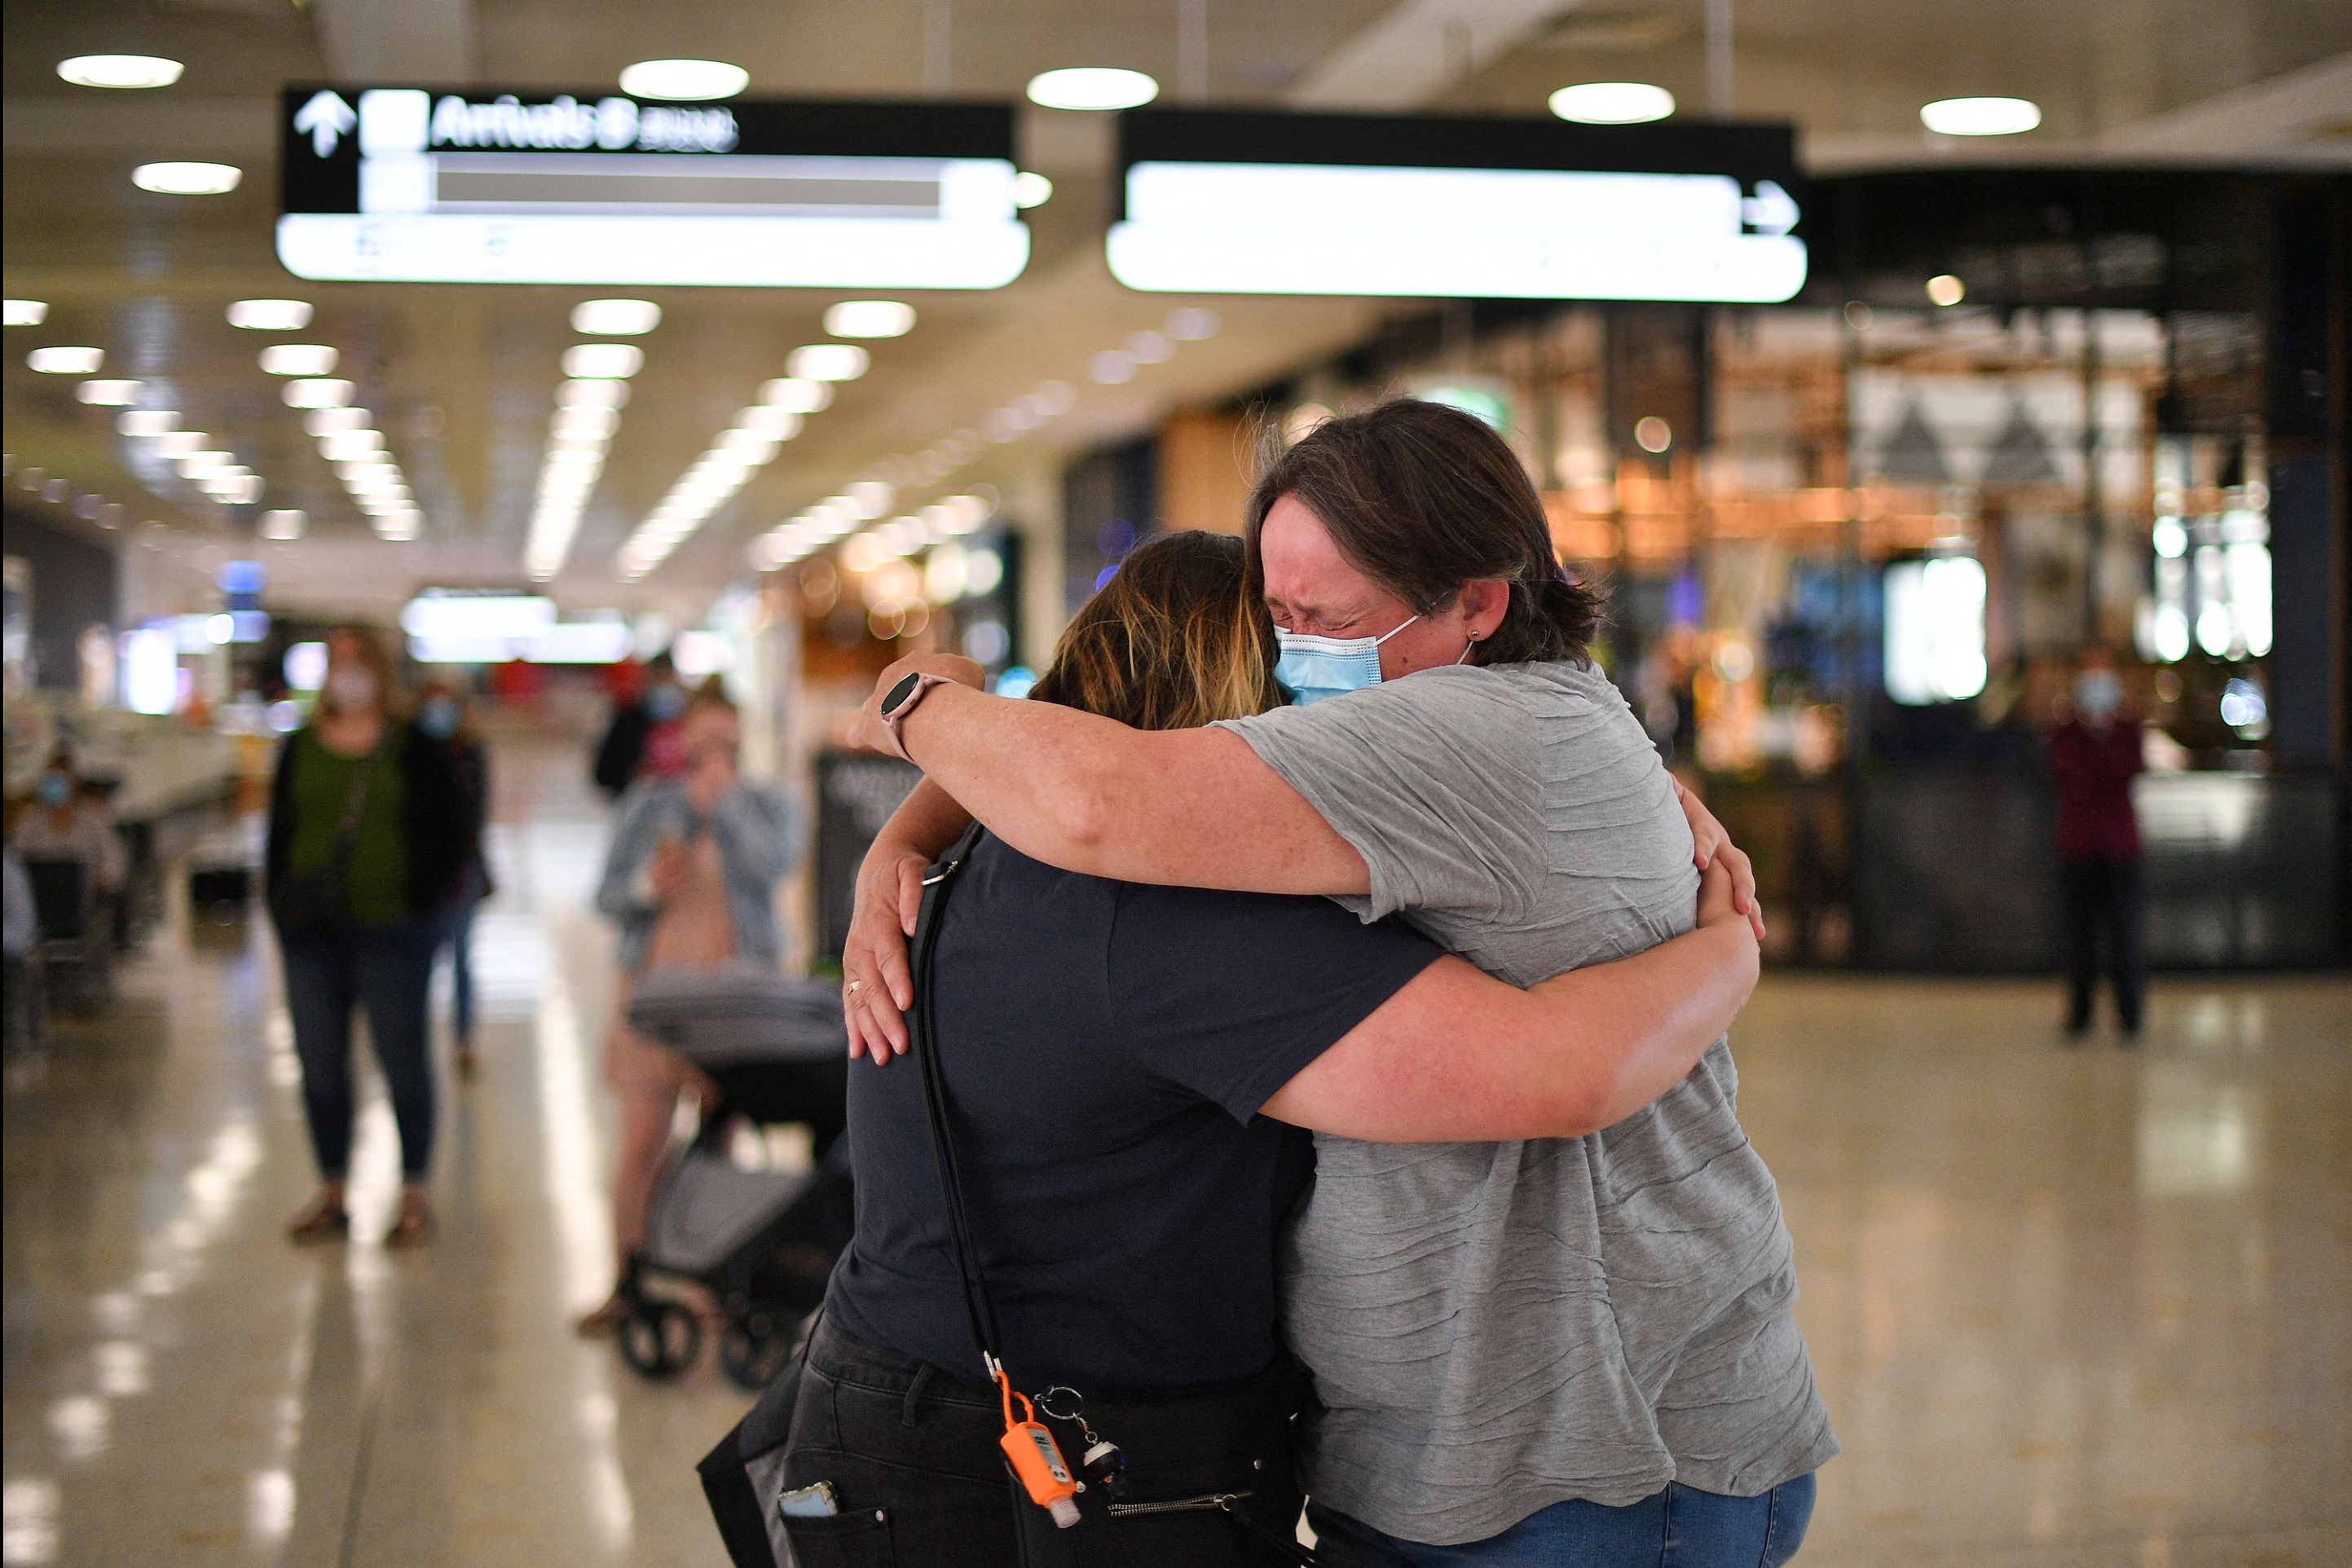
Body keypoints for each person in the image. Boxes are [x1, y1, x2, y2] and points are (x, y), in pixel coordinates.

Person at [840, 400, 1832, 1568]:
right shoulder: (1501, 719)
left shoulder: (1461, 730)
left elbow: (1099, 799)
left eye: (1332, 619)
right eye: (1277, 616)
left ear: (1479, 601)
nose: (1297, 655)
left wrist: (918, 707)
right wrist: (907, 827)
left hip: (1577, 1465)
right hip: (1472, 1457)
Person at [582, 682, 799, 1332]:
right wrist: (648, 886)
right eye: (704, 742)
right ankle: (628, 1279)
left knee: (718, 1144)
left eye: (728, 743)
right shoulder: (650, 803)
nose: (715, 755)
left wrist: (726, 803)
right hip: (654, 998)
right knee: (642, 1144)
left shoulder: (767, 804)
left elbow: (770, 869)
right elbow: (605, 895)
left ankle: (712, 1282)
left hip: (735, 1003)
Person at [268, 628, 469, 1246]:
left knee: (401, 1059)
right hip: (312, 932)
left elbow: (453, 830)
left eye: (358, 662)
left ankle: (414, 1192)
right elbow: (280, 830)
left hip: (393, 931)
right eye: (336, 662)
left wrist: (422, 903)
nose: (346, 673)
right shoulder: (301, 746)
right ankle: (334, 1190)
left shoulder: (413, 746)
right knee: (320, 1063)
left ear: (380, 671)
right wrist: (277, 905)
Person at [2049, 645, 2145, 1040]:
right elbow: (2066, 774)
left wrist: (2106, 736)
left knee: (2125, 933)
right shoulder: (2066, 732)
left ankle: (2129, 1015)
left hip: (2120, 848)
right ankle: (2080, 1014)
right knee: (2080, 936)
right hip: (2079, 847)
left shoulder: (2128, 729)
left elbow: (2125, 774)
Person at [416, 680, 493, 1079]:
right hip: (422, 877)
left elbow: (477, 815)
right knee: (423, 962)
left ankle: (464, 1038)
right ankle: (420, 1040)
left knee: (462, 959)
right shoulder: (409, 755)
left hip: (460, 874)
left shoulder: (470, 755)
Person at [11, 751, 127, 900]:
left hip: (85, 902)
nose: (55, 783)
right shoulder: (29, 819)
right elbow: (13, 860)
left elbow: (115, 863)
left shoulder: (93, 818)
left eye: (61, 778)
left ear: (74, 782)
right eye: (51, 777)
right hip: (39, 899)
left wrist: (102, 879)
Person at [593, 652, 688, 799]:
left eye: (667, 678)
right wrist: (633, 776)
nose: (664, 686)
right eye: (658, 678)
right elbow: (604, 773)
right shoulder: (628, 721)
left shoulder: (690, 719)